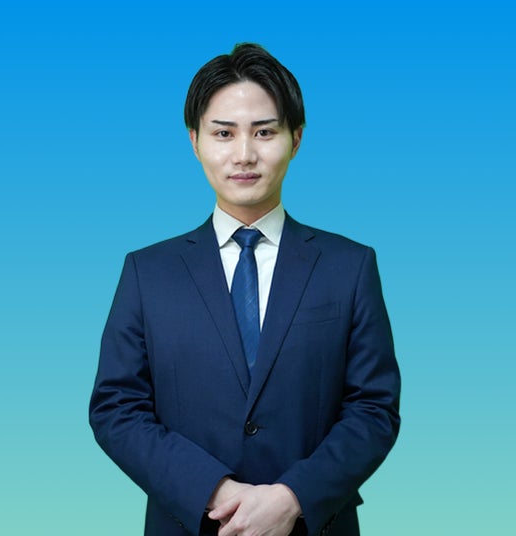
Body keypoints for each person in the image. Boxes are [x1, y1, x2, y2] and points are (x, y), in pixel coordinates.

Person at [89, 43, 401, 536]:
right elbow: (116, 409)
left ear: (296, 139)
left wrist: (292, 497)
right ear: (195, 141)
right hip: (190, 523)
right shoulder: (147, 273)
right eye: (224, 133)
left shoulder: (349, 266)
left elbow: (374, 408)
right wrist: (214, 492)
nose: (244, 154)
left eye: (264, 132)